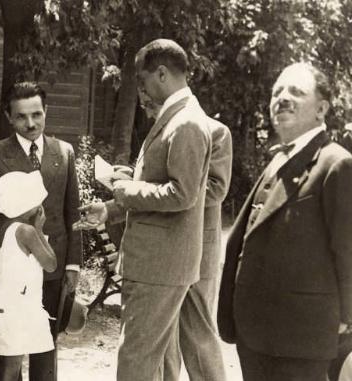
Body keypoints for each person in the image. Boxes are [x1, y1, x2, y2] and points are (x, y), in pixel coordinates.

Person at [217, 62, 352, 381]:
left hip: (300, 342)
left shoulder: (336, 165)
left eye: (297, 91)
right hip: (256, 336)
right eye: (277, 91)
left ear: (322, 109)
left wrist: (345, 318)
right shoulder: (279, 160)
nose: (283, 98)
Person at [75, 39, 212, 381]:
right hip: (158, 263)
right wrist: (109, 209)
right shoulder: (176, 118)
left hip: (160, 265)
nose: (143, 91)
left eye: (143, 79)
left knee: (135, 360)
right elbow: (158, 191)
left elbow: (182, 194)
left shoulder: (187, 123)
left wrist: (127, 188)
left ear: (162, 73)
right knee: (158, 363)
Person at [0, 81, 82, 381]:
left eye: (37, 114)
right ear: (9, 117)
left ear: (46, 111)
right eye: (21, 116)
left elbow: (73, 211)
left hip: (53, 264)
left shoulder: (65, 151)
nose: (30, 123)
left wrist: (74, 263)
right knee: (12, 350)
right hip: (12, 270)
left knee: (46, 342)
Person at [139, 90, 232, 381]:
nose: (148, 108)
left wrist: (181, 188)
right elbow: (161, 184)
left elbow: (217, 189)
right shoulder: (163, 133)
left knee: (198, 329)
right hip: (166, 246)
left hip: (199, 248)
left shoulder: (216, 132)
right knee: (165, 334)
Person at [0, 171, 57, 381]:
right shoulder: (26, 231)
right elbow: (51, 264)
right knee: (9, 371)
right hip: (18, 308)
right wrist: (39, 228)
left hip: (17, 305)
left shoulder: (2, 230)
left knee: (10, 368)